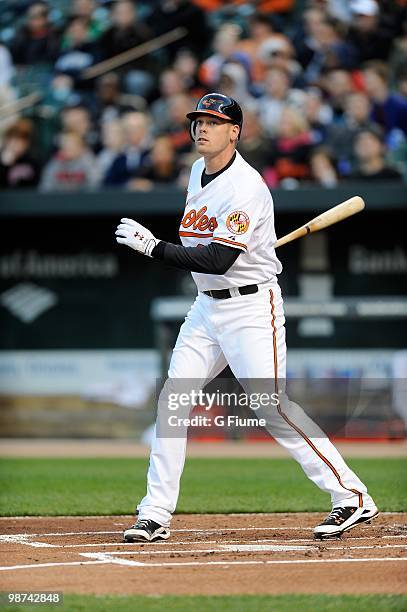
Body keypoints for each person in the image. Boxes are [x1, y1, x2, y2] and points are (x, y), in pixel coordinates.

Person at [115, 93, 379, 543]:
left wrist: (153, 247)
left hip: (250, 307)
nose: (202, 128)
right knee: (172, 405)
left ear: (234, 132)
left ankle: (352, 496)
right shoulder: (198, 171)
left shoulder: (246, 187)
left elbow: (218, 259)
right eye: (198, 121)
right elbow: (209, 254)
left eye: (213, 123)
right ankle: (155, 512)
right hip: (206, 308)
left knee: (272, 409)